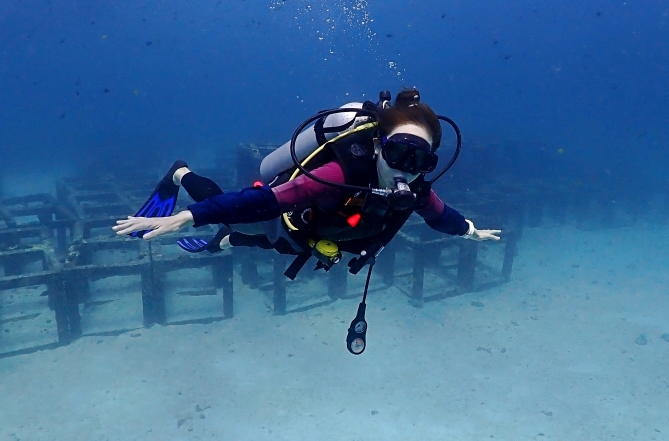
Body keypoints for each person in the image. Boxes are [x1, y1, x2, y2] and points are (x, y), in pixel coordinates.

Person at [113, 88, 500, 351]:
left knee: (271, 245)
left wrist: (470, 231)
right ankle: (182, 175)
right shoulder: (338, 174)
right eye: (399, 153)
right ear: (380, 146)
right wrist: (190, 215)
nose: (407, 170)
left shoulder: (415, 190)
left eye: (421, 161)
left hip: (315, 239)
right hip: (289, 222)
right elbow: (261, 200)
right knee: (241, 224)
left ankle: (224, 243)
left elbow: (440, 216)